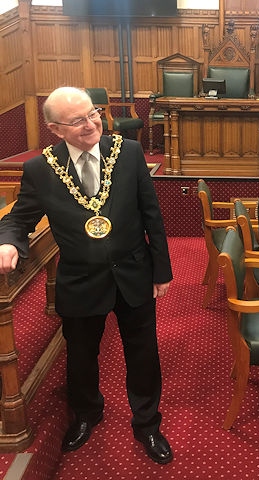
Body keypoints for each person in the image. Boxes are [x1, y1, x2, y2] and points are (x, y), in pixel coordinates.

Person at [0, 87, 174, 464]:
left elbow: (152, 215)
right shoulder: (40, 169)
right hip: (80, 280)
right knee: (81, 357)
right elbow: (18, 217)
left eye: (93, 113)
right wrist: (9, 242)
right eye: (77, 120)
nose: (91, 123)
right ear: (55, 128)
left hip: (133, 273)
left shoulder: (127, 152)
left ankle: (147, 424)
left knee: (143, 355)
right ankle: (87, 414)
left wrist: (161, 270)